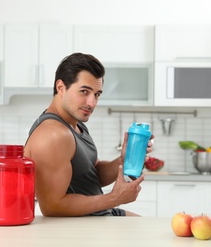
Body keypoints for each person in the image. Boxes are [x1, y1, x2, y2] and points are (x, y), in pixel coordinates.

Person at [24, 52, 153, 217]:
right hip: (82, 226)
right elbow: (52, 206)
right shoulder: (53, 134)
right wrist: (114, 198)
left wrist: (123, 159)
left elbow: (92, 175)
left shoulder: (76, 125)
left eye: (97, 94)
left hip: (100, 214)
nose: (92, 103)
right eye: (84, 91)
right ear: (61, 88)